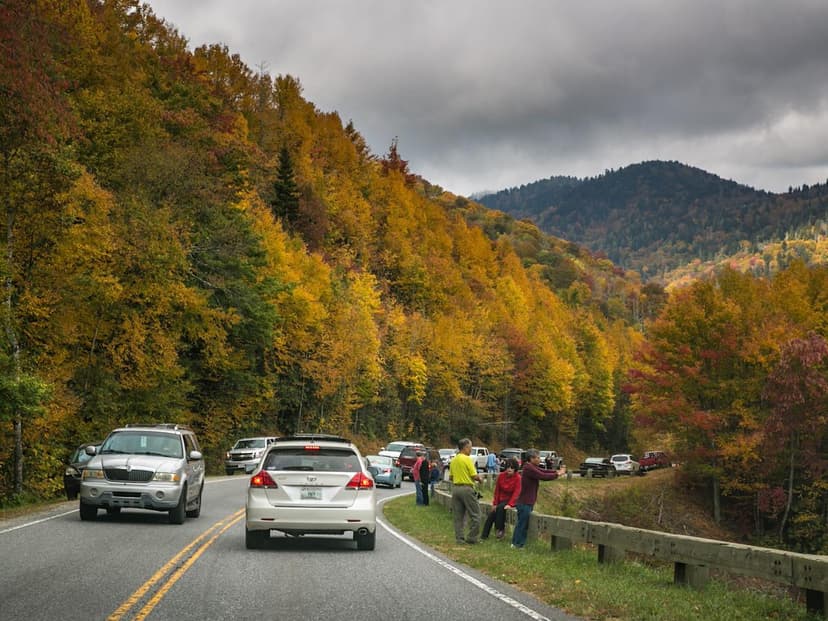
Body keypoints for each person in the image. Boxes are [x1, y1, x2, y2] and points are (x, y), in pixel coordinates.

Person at [511, 448, 559, 549]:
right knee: (523, 525)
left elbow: (544, 471)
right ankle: (518, 544)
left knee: (521, 523)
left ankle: (515, 543)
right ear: (531, 458)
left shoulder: (531, 467)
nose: (539, 459)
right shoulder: (529, 468)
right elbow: (543, 476)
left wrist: (556, 471)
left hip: (526, 501)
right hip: (525, 502)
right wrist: (557, 474)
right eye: (537, 457)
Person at [449, 438, 483, 544]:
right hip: (467, 488)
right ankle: (472, 537)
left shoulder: (454, 460)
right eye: (470, 447)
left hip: (455, 489)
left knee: (458, 515)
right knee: (476, 515)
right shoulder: (467, 459)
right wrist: (480, 479)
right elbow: (474, 475)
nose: (471, 450)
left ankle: (459, 538)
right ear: (465, 447)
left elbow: (451, 477)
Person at [481, 457, 521, 540]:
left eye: (512, 467)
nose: (509, 469)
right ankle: (484, 536)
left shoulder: (518, 478)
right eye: (508, 467)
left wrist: (510, 504)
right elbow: (497, 491)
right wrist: (495, 503)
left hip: (511, 500)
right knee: (492, 514)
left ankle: (500, 529)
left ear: (515, 469)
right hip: (500, 500)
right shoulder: (501, 476)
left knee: (500, 507)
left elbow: (516, 493)